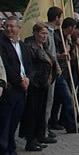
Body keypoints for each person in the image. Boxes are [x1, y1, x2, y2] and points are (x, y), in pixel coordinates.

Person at [20, 23, 58, 151]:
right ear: (35, 33)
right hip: (35, 84)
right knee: (32, 113)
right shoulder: (30, 47)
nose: (44, 36)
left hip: (44, 83)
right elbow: (30, 66)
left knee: (40, 113)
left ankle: (37, 137)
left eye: (46, 34)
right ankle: (30, 140)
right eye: (42, 33)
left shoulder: (44, 46)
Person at [0, 16, 32, 154]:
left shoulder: (23, 46)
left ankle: (11, 148)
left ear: (19, 28)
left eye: (12, 26)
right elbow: (5, 67)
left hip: (22, 91)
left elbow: (29, 65)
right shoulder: (1, 44)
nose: (8, 29)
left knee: (14, 123)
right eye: (6, 26)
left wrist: (28, 78)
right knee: (4, 123)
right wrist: (20, 80)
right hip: (10, 89)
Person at [44, 6, 63, 140]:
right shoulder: (46, 32)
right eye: (60, 17)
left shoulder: (53, 32)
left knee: (49, 103)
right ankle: (43, 130)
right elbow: (47, 53)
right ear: (56, 18)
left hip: (53, 71)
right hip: (47, 73)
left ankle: (45, 127)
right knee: (46, 103)